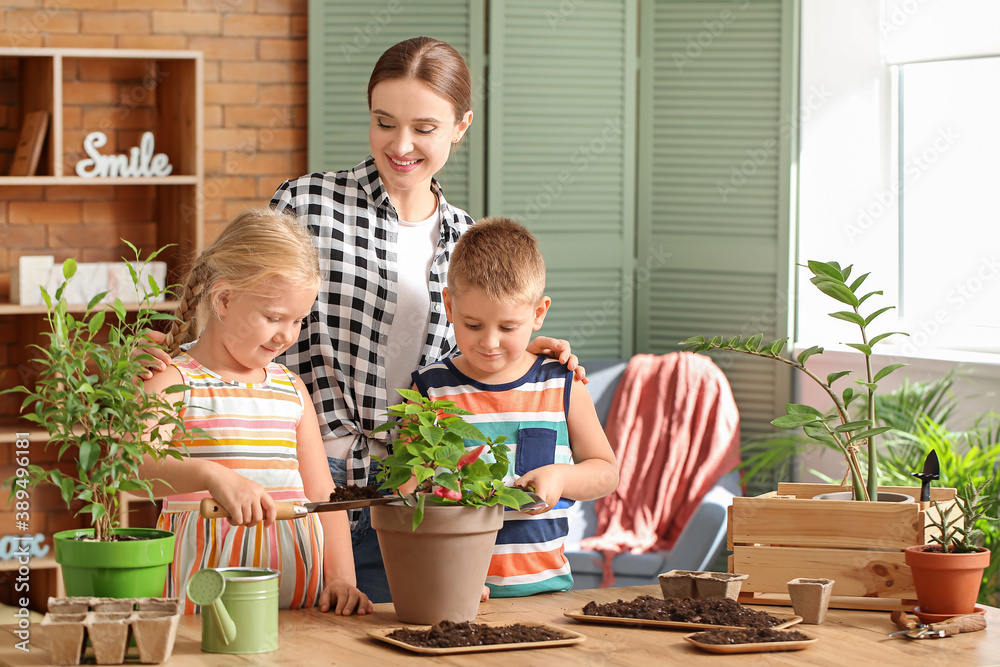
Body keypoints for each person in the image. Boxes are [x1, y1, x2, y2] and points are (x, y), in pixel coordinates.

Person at [267, 36, 585, 603]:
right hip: (311, 483)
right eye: (384, 122)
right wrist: (177, 350)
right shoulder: (307, 204)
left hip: (416, 495)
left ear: (461, 126)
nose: (402, 144)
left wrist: (525, 350)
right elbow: (248, 312)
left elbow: (472, 356)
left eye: (425, 128)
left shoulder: (469, 240)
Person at [137, 208, 372, 617]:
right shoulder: (174, 380)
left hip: (302, 599)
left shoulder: (291, 389)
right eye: (273, 317)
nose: (287, 335)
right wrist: (210, 475)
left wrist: (341, 579)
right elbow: (130, 470)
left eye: (299, 320)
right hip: (205, 605)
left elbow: (322, 497)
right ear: (224, 299)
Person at [411, 216, 619, 597]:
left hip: (547, 592)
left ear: (539, 313)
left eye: (508, 328)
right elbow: (409, 495)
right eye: (473, 325)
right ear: (449, 305)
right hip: (457, 591)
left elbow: (606, 472)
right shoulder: (430, 387)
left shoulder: (561, 382)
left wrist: (560, 477)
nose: (489, 342)